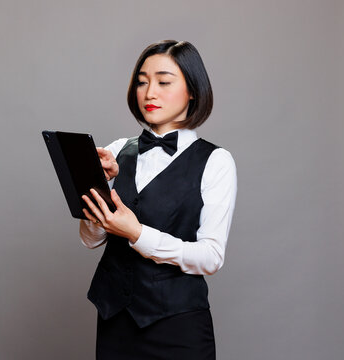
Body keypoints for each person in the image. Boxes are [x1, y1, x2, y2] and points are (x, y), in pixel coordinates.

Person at [79, 40, 237, 360]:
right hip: (115, 320)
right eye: (142, 81)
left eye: (164, 82)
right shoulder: (119, 148)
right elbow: (89, 239)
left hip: (178, 327)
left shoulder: (216, 161)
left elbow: (211, 257)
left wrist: (137, 234)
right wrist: (99, 186)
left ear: (192, 90)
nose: (149, 92)